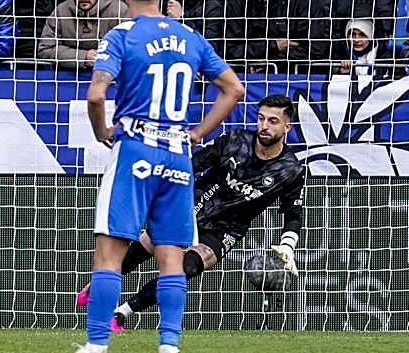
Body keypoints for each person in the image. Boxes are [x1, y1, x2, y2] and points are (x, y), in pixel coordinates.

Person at [49, 0, 243, 353]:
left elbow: (96, 95)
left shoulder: (121, 35)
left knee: (110, 252)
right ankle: (170, 350)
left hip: (136, 147)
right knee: (171, 256)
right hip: (177, 154)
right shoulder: (190, 37)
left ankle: (96, 348)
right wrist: (198, 132)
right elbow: (233, 89)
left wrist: (101, 130)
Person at [94, 94, 304, 329]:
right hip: (192, 206)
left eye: (273, 121)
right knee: (139, 252)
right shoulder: (235, 141)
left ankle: (121, 314)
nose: (264, 126)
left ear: (287, 127)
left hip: (226, 228)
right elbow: (193, 164)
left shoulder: (291, 170)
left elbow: (293, 214)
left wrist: (287, 246)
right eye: (261, 118)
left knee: (186, 268)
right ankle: (97, 288)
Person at [36, 0, 129, 68]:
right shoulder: (61, 12)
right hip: (69, 74)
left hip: (110, 72)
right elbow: (45, 49)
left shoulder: (120, 11)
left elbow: (130, 49)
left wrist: (104, 58)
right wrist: (82, 57)